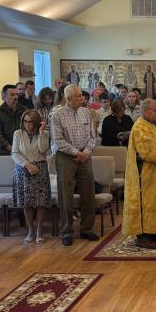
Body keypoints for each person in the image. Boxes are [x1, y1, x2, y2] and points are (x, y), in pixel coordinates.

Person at [51, 84, 99, 246]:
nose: (82, 98)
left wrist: (86, 152)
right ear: (68, 99)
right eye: (78, 96)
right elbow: (58, 141)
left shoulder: (86, 112)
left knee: (88, 192)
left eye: (81, 95)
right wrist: (76, 153)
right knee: (66, 195)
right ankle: (67, 231)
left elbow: (92, 136)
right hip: (66, 157)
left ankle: (86, 228)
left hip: (85, 156)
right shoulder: (57, 115)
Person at [124, 99, 156, 249]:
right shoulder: (140, 127)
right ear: (145, 111)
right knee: (144, 202)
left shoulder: (149, 124)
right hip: (143, 173)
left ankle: (152, 232)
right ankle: (142, 236)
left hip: (153, 173)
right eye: (155, 110)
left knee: (154, 201)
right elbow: (146, 152)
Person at [11, 109, 51, 244]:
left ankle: (39, 230)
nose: (28, 124)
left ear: (36, 122)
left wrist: (41, 133)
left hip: (40, 168)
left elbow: (43, 149)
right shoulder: (17, 133)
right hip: (23, 169)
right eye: (25, 121)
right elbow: (14, 153)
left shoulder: (44, 133)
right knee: (27, 202)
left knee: (40, 202)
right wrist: (27, 164)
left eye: (31, 122)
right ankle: (30, 231)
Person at [0, 84, 25, 155]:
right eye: (12, 95)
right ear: (4, 97)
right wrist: (12, 149)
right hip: (5, 153)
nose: (16, 97)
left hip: (22, 151)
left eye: (16, 94)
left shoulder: (24, 110)